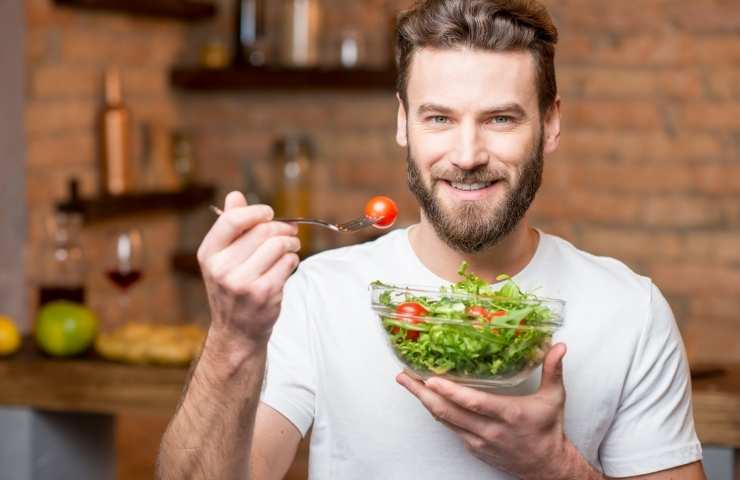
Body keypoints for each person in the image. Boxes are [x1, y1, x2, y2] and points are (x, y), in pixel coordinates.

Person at [157, 0, 706, 478]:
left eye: (500, 119)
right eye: (439, 117)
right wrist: (233, 338)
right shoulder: (317, 296)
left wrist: (554, 468)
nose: (467, 155)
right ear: (403, 123)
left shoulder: (630, 310)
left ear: (551, 124)